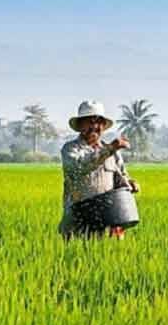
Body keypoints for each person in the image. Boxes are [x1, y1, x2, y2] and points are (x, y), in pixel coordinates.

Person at [58, 101, 141, 239]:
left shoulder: (113, 152)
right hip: (79, 218)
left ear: (103, 126)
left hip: (110, 217)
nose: (94, 127)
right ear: (80, 125)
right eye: (89, 122)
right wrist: (109, 149)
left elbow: (121, 178)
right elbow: (80, 167)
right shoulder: (71, 149)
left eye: (98, 123)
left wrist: (131, 184)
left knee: (107, 257)